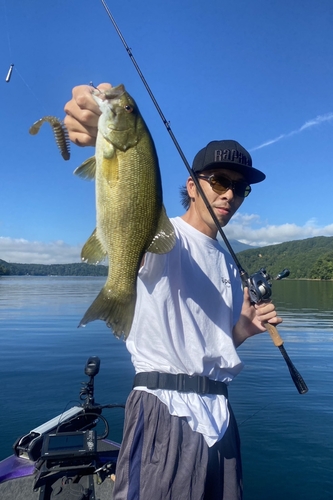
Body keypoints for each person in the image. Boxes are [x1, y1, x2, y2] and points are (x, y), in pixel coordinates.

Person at [64, 83, 283, 500]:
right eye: (220, 180)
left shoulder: (226, 263)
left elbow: (205, 344)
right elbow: (128, 191)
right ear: (192, 183)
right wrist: (99, 129)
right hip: (166, 411)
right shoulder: (168, 237)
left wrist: (242, 328)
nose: (230, 194)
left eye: (241, 188)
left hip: (220, 420)